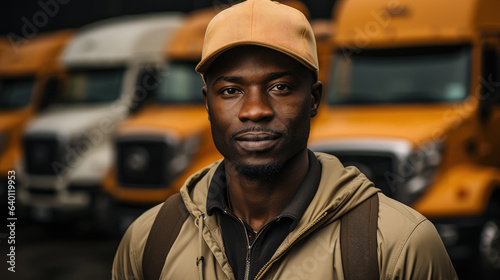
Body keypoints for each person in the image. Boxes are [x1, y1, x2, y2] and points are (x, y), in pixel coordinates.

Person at [112, 0, 458, 279]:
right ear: (207, 104)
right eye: (231, 90)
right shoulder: (150, 241)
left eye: (280, 87)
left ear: (314, 100)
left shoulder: (399, 245)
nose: (255, 110)